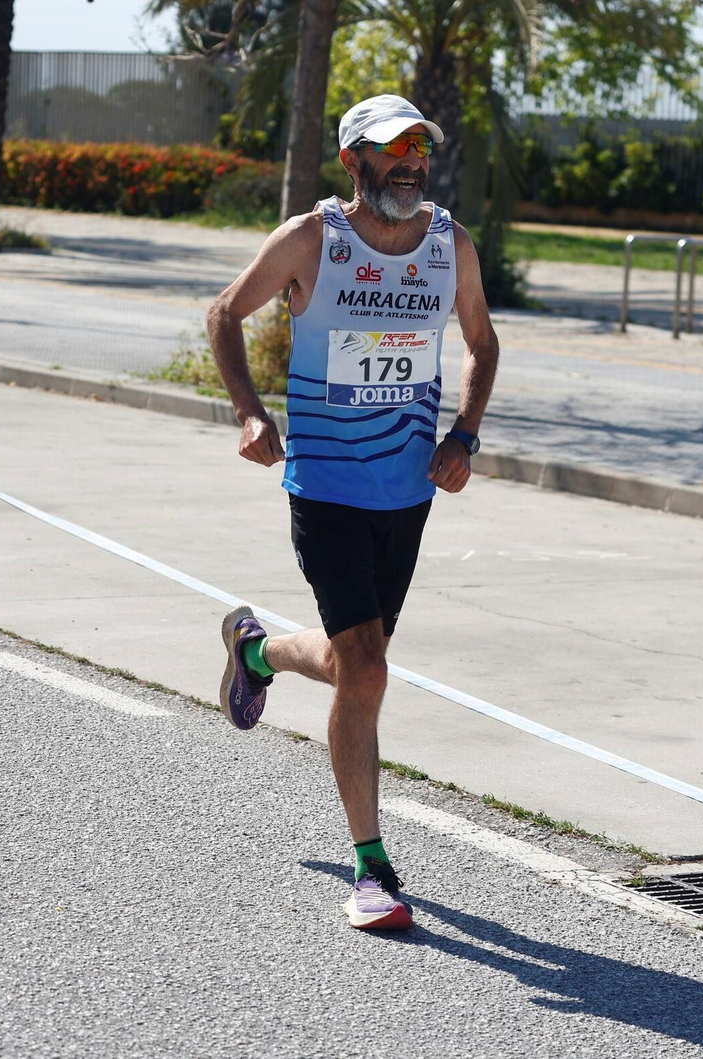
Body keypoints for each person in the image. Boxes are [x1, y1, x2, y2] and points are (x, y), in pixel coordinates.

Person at [206, 94, 500, 930]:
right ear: (354, 163)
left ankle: (255, 648)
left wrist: (465, 437)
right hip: (326, 486)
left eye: (420, 148)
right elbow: (224, 312)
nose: (411, 161)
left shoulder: (450, 245)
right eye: (392, 150)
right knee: (367, 670)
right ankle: (373, 868)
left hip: (406, 493)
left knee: (351, 668)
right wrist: (250, 413)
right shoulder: (312, 240)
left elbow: (483, 343)